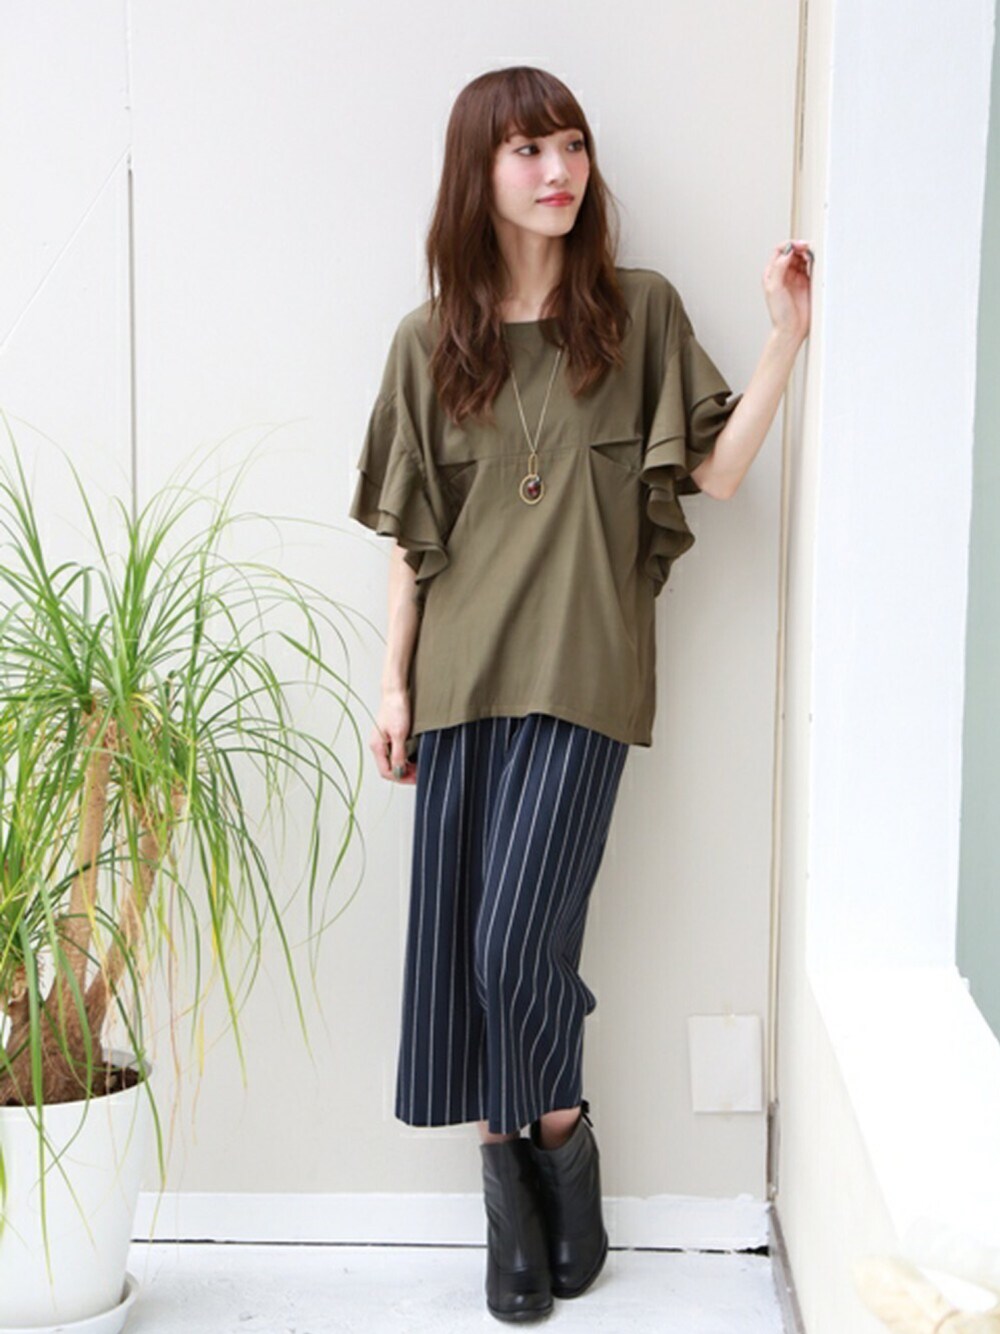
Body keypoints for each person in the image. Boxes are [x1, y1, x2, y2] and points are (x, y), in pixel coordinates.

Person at [349, 64, 811, 1325]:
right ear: (479, 172)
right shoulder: (427, 343)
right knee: (471, 949)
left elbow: (716, 475)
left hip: (585, 675)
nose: (558, 172)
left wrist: (783, 337)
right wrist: (389, 684)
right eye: (528, 151)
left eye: (572, 146)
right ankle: (513, 1189)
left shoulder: (637, 313)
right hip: (458, 682)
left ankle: (556, 1133)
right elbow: (409, 539)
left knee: (513, 942)